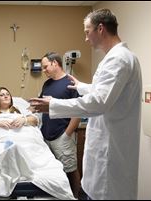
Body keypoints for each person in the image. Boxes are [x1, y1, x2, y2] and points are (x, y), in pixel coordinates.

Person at [29, 8, 142, 200]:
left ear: (100, 29)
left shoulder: (119, 59)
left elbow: (99, 102)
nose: (85, 38)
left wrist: (54, 106)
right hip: (106, 152)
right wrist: (81, 86)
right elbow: (106, 93)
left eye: (87, 31)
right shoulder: (116, 58)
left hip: (110, 158)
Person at [39, 52, 81, 198]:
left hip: (62, 136)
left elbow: (77, 112)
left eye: (45, 67)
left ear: (55, 63)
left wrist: (67, 134)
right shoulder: (47, 84)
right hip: (46, 135)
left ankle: (75, 196)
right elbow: (41, 106)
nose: (44, 71)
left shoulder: (70, 83)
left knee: (70, 171)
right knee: (52, 172)